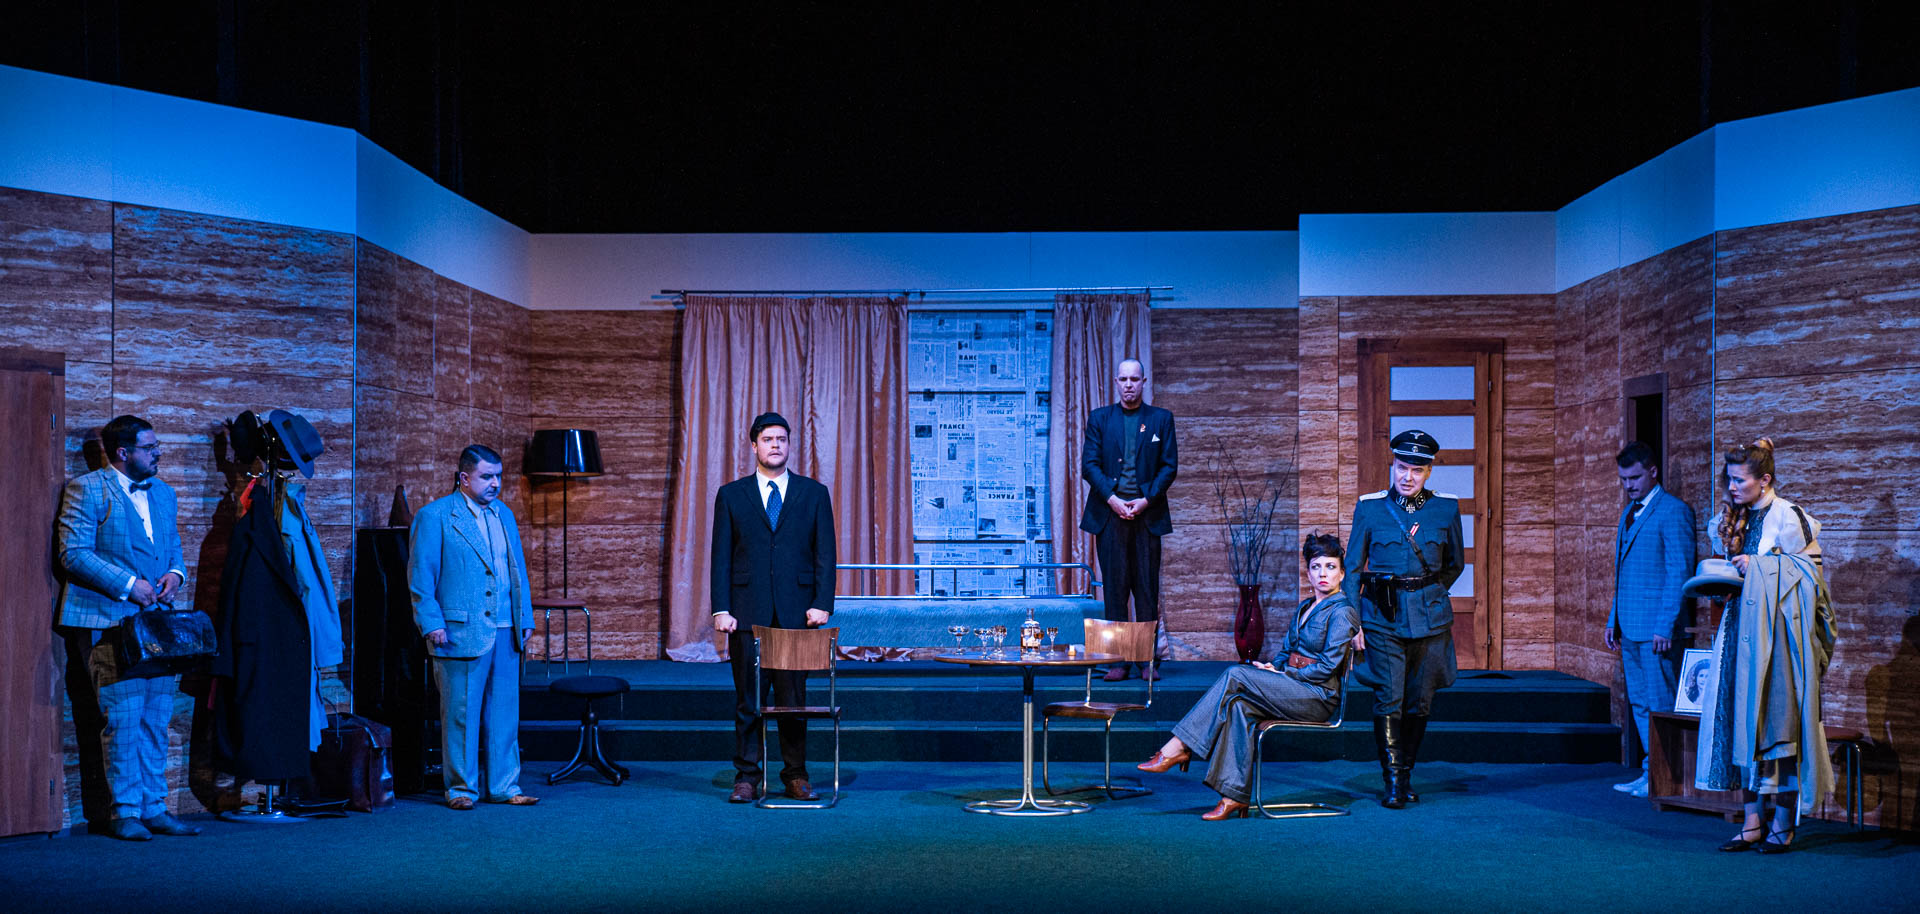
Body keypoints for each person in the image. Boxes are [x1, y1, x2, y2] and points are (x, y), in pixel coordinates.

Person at [1136, 533, 1360, 819]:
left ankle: (1180, 746)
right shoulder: (1305, 607)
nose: (1323, 574)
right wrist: (1272, 668)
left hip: (1318, 697)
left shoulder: (1343, 612)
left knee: (1236, 673)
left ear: (1342, 573)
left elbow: (1328, 667)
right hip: (1293, 687)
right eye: (1316, 567)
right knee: (1238, 706)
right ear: (1308, 573)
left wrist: (1285, 672)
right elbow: (1285, 651)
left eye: (1330, 567)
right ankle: (1234, 796)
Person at [54, 415, 200, 841]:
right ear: (123, 452)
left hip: (158, 626)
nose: (158, 454)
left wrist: (175, 575)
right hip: (108, 621)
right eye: (149, 448)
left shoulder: (164, 493)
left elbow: (173, 547)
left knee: (156, 718)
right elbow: (73, 553)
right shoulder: (88, 489)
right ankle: (125, 811)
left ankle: (155, 807)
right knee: (123, 717)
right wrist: (128, 584)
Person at [1696, 438, 1835, 854]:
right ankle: (1752, 821)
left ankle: (1783, 823)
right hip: (1737, 632)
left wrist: (1758, 567)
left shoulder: (1788, 517)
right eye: (1729, 479)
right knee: (1740, 721)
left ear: (1765, 479)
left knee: (1778, 726)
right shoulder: (1730, 517)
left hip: (1777, 640)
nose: (1732, 487)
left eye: (1740, 480)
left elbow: (1810, 577)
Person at [711, 412, 836, 803]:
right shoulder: (731, 495)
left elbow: (825, 554)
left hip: (797, 615)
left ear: (789, 444)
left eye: (782, 439)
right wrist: (721, 608)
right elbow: (721, 558)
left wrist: (822, 603)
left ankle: (795, 775)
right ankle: (747, 777)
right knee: (748, 702)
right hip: (746, 615)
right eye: (768, 439)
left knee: (792, 702)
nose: (776, 445)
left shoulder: (813, 493)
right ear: (754, 446)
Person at [409, 444, 539, 810]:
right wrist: (431, 622)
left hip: (505, 628)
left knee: (504, 714)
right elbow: (421, 577)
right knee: (461, 714)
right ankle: (461, 789)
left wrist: (525, 617)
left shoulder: (504, 514)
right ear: (464, 478)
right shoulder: (435, 516)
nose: (495, 483)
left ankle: (504, 785)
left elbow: (517, 570)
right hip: (459, 631)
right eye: (487, 476)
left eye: (498, 476)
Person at [1343, 429, 1465, 809]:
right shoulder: (1370, 509)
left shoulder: (1446, 509)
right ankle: (1393, 781)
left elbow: (1455, 564)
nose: (1407, 477)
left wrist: (1427, 593)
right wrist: (1354, 621)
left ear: (1428, 472)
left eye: (1416, 470)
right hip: (1382, 617)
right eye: (1401, 467)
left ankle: (1407, 772)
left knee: (1419, 701)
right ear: (1392, 465)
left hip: (1429, 619)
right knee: (1389, 698)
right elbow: (1352, 569)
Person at [1605, 441, 1697, 798]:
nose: (1628, 485)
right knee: (1641, 703)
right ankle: (1651, 772)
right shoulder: (1629, 512)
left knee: (1661, 703)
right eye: (1623, 479)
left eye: (1634, 478)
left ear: (1653, 472)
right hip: (1630, 625)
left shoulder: (1673, 512)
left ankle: (1668, 776)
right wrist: (1613, 619)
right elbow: (1622, 573)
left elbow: (1678, 573)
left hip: (1656, 630)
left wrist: (1665, 625)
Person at [1079, 357, 1178, 681]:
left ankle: (1146, 660)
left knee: (1146, 590)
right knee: (1115, 590)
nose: (1129, 385)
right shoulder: (1100, 418)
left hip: (1147, 516)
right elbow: (1089, 465)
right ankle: (1117, 661)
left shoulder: (1161, 419)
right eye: (1123, 379)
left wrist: (1146, 499)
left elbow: (1169, 466)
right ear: (1116, 382)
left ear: (1143, 382)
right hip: (1110, 515)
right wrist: (1113, 499)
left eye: (1134, 379)